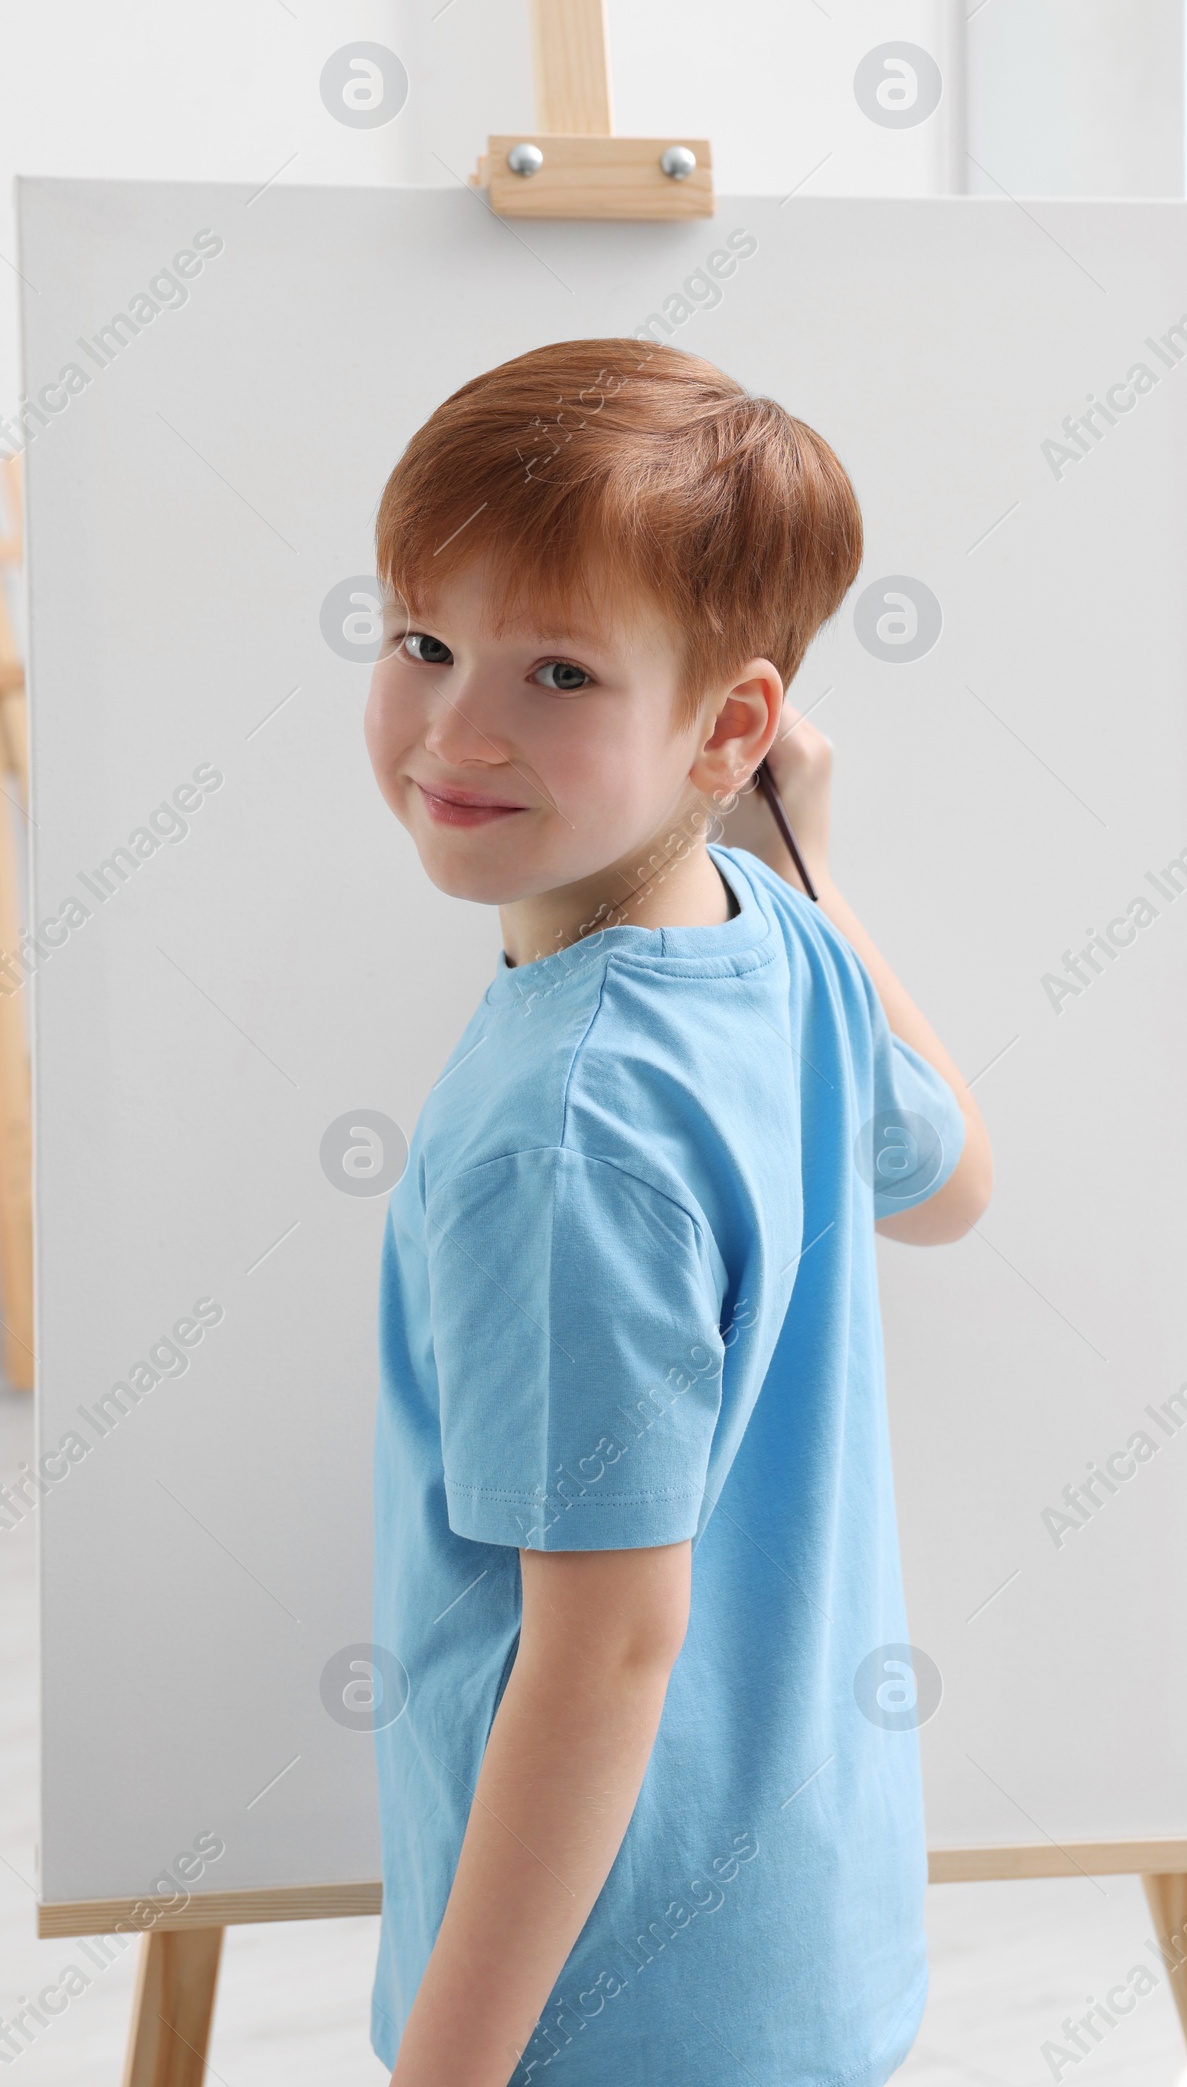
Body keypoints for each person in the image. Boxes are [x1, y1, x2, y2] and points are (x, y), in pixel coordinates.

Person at [363, 337, 992, 2087]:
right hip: (798, 1939)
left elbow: (606, 1655)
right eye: (425, 640)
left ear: (732, 723)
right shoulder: (767, 933)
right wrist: (802, 853)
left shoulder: (559, 1139)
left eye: (558, 669)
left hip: (608, 2007)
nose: (456, 727)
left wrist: (445, 2071)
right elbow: (952, 1183)